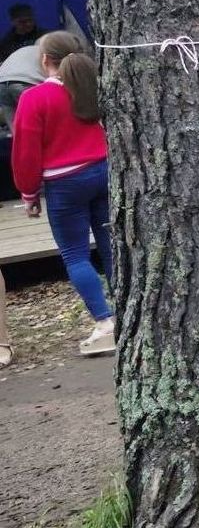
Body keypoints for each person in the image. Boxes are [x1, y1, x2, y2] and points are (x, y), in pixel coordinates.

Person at [10, 32, 114, 359]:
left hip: (65, 183)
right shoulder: (97, 86)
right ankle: (129, 311)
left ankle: (105, 322)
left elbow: (26, 152)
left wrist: (28, 192)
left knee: (75, 254)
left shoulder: (34, 98)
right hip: (105, 171)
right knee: (111, 246)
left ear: (45, 60)